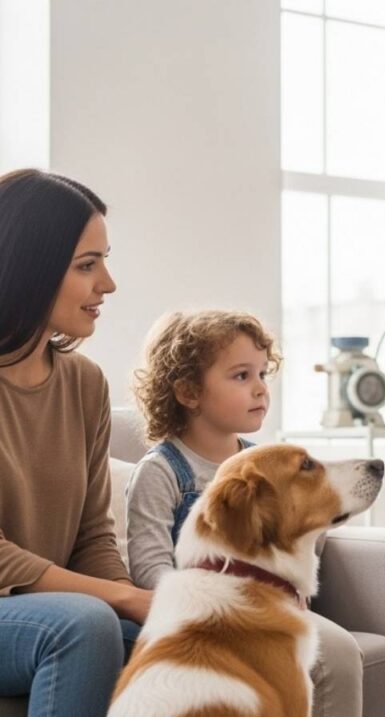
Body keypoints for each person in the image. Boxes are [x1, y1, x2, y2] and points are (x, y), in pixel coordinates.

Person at [126, 310, 365, 717]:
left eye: (262, 375)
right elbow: (150, 570)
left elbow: (304, 539)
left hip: (276, 611)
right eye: (241, 376)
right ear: (188, 393)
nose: (260, 390)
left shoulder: (268, 461)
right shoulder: (162, 471)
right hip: (212, 617)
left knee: (338, 652)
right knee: (333, 652)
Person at [0, 169, 152, 716]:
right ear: (28, 267)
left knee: (217, 640)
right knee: (83, 623)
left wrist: (141, 611)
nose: (107, 284)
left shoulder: (84, 384)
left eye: (104, 261)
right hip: (48, 618)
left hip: (52, 610)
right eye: (87, 265)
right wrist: (122, 598)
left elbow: (92, 534)